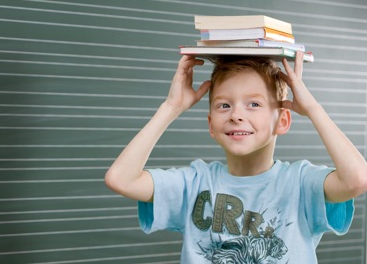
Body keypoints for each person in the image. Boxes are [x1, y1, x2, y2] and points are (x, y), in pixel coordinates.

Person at [105, 52, 367, 263]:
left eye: (254, 104)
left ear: (283, 120)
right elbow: (121, 179)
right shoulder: (194, 182)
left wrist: (312, 109)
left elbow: (358, 179)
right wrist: (171, 108)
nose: (236, 115)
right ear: (211, 125)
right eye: (224, 105)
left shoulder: (300, 182)